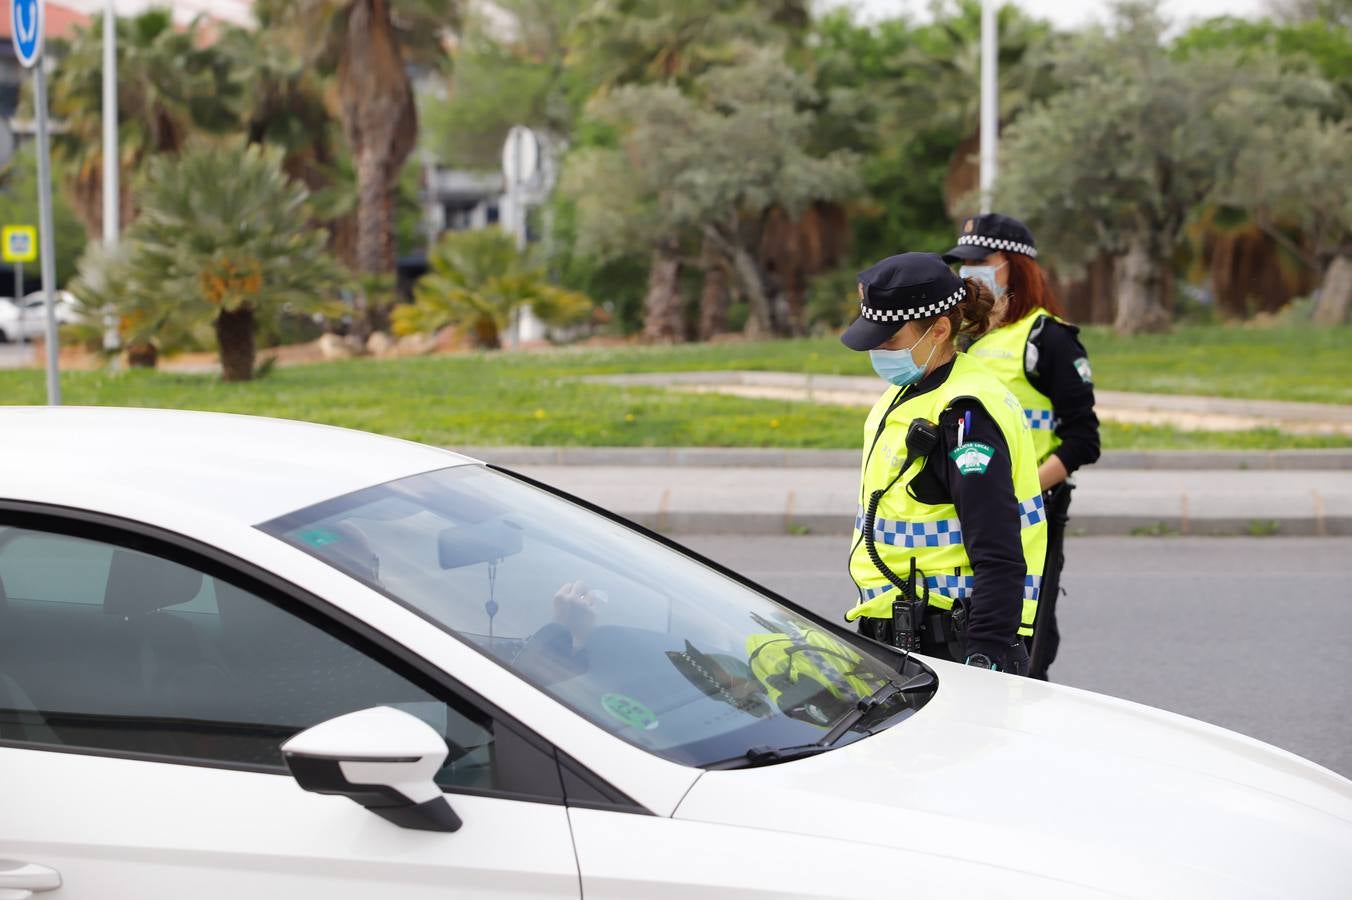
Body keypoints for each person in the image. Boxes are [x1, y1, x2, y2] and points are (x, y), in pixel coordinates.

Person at [840, 252, 1048, 675]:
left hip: (950, 642)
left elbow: (998, 550)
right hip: (906, 632)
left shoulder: (963, 416)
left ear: (938, 330)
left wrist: (985, 654)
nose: (878, 351)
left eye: (890, 340)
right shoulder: (915, 390)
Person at [942, 214, 1100, 680]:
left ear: (1014, 265)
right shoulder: (966, 338)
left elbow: (1083, 440)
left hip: (1028, 513)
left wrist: (1021, 494)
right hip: (968, 508)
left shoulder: (1047, 338)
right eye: (962, 261)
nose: (968, 269)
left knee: (1024, 644)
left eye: (980, 259)